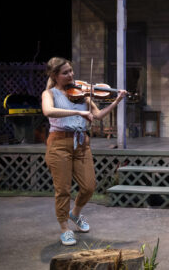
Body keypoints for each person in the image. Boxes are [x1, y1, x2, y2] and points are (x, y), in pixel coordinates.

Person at [42, 57, 126, 246]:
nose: (71, 75)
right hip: (59, 144)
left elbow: (97, 116)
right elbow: (48, 111)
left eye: (71, 71)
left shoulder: (82, 93)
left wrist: (117, 101)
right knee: (62, 190)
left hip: (81, 143)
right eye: (65, 72)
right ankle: (64, 228)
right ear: (55, 75)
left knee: (89, 186)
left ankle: (75, 214)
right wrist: (78, 113)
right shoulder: (49, 94)